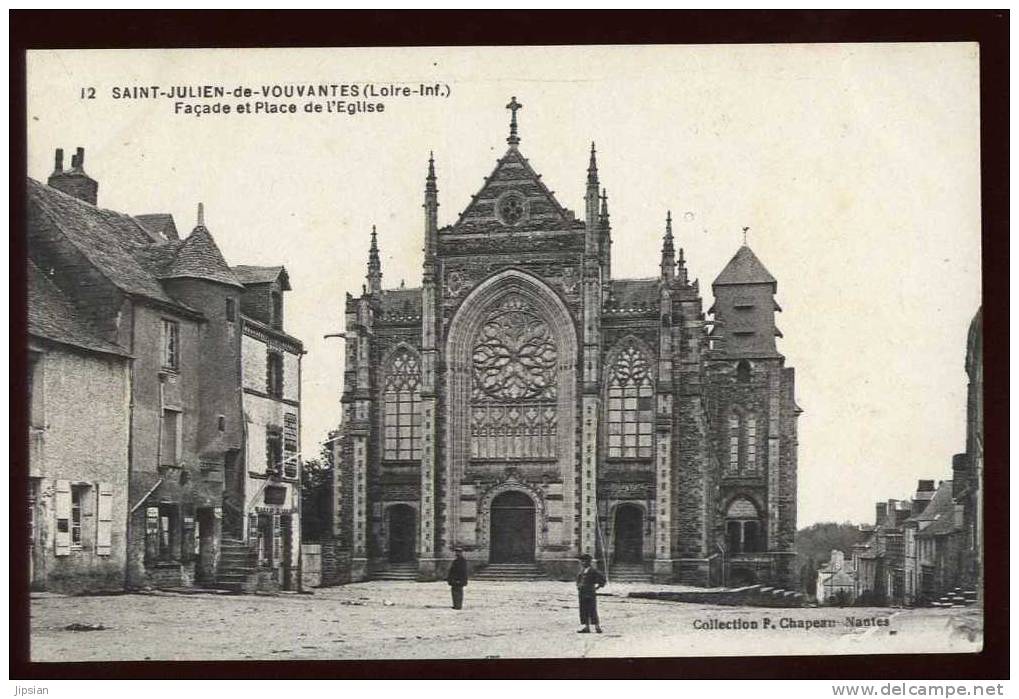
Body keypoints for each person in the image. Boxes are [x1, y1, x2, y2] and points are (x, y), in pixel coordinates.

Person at [575, 553, 606, 633]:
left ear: (588, 562)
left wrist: (597, 587)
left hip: (590, 592)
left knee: (592, 609)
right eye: (581, 561)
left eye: (584, 561)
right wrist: (578, 586)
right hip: (582, 593)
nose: (582, 563)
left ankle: (597, 627)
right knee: (583, 609)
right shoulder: (582, 571)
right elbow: (578, 580)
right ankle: (586, 627)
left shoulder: (593, 571)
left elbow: (602, 579)